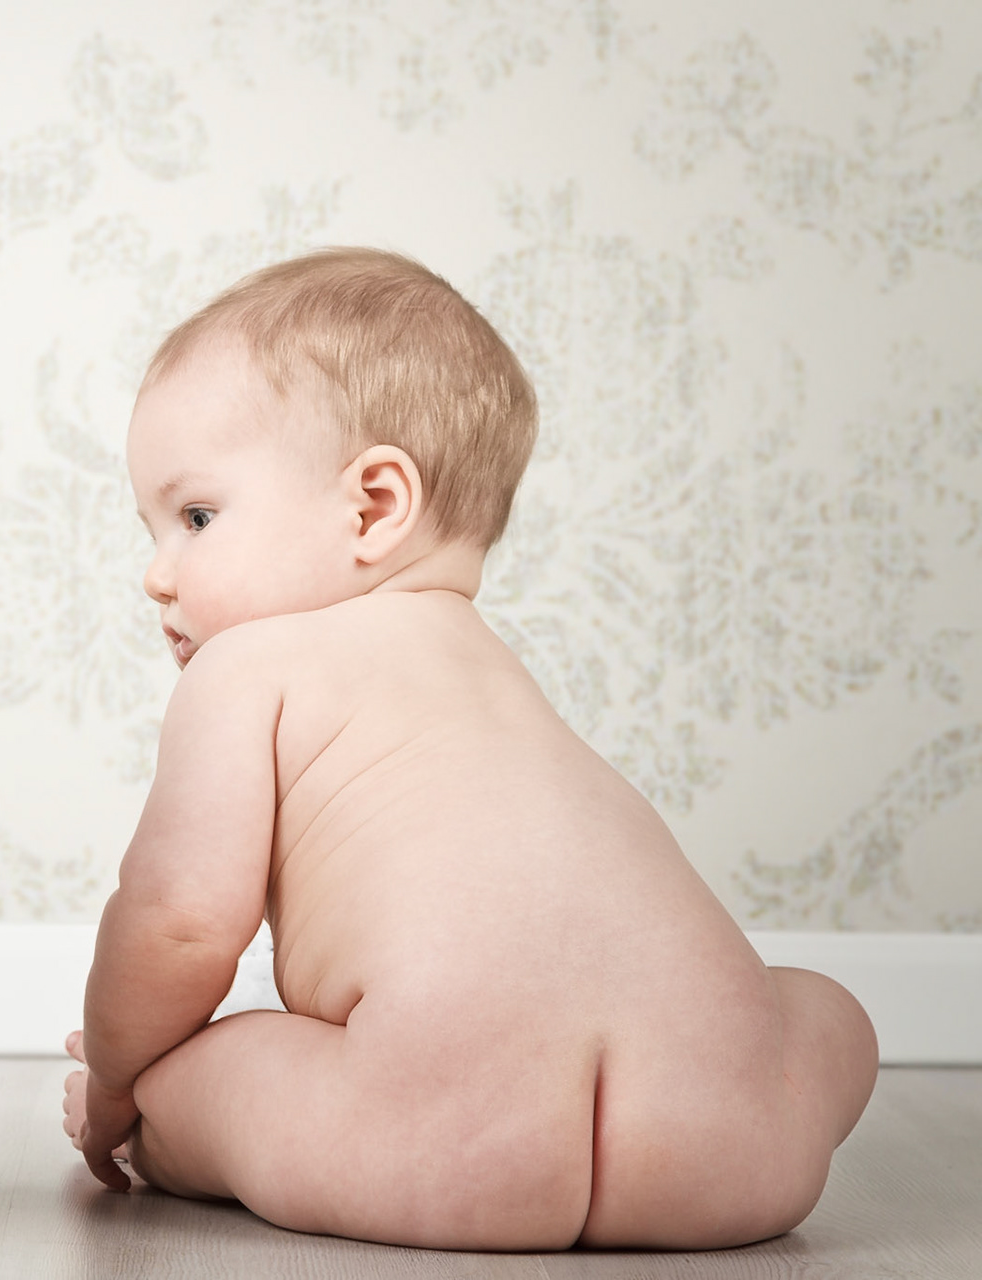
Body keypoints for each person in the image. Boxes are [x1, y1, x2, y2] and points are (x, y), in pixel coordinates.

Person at [61, 247, 878, 1250]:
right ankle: (769, 1091)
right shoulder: (496, 676)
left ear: (374, 506)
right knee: (823, 1008)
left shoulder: (246, 669)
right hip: (727, 1149)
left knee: (201, 1070)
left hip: (454, 1149)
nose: (156, 573)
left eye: (195, 517)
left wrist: (118, 1081)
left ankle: (157, 1130)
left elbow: (179, 924)